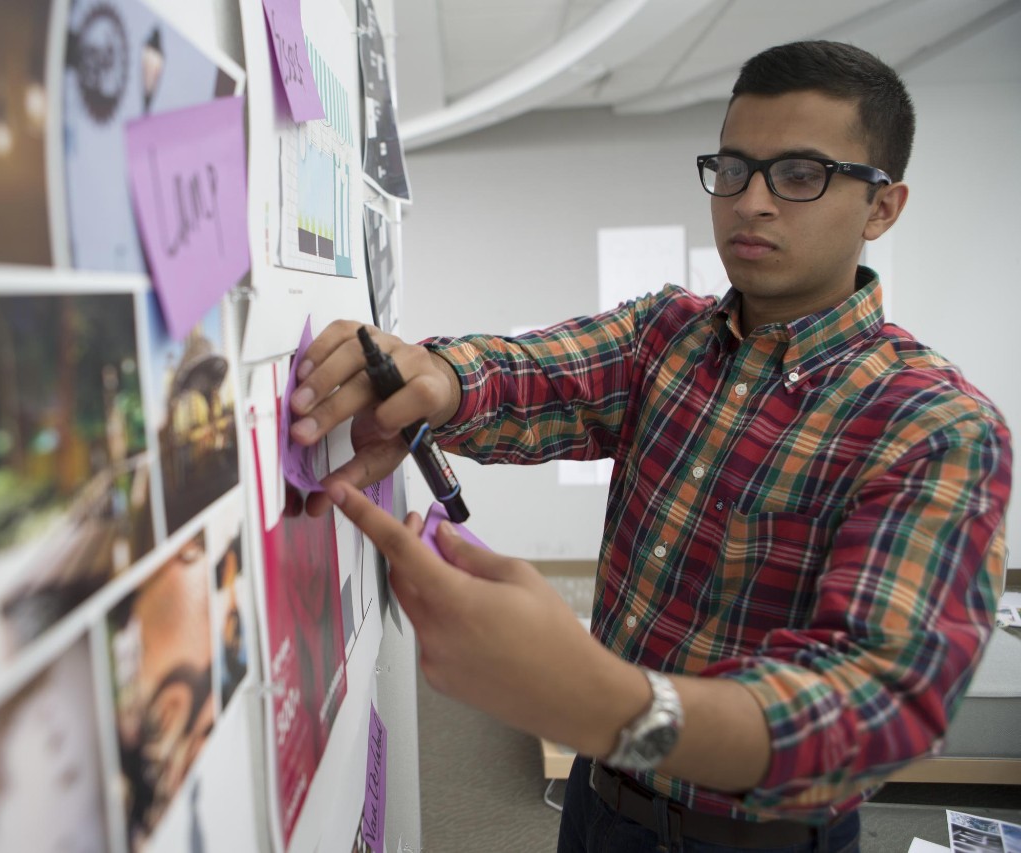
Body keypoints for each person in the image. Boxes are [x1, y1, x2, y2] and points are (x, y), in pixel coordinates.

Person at [286, 40, 1013, 852]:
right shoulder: (667, 333)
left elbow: (875, 707)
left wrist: (611, 704)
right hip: (600, 811)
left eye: (800, 175)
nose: (752, 202)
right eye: (733, 168)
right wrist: (432, 375)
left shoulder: (936, 425)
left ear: (882, 206)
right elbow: (536, 374)